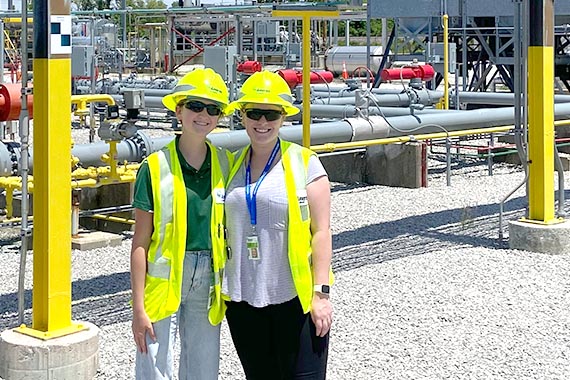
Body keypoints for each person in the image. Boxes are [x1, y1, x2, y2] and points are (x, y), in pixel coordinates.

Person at [222, 70, 334, 379]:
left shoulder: (305, 163)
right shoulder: (231, 166)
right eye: (254, 113)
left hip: (295, 301)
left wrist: (321, 294)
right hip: (244, 300)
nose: (262, 122)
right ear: (242, 116)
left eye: (270, 113)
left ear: (283, 117)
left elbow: (321, 232)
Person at [130, 68, 232, 380]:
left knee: (203, 370)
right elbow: (140, 242)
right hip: (163, 284)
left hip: (208, 283)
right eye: (195, 107)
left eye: (212, 109)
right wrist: (137, 309)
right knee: (155, 371)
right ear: (179, 110)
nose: (203, 115)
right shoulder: (155, 167)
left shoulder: (227, 163)